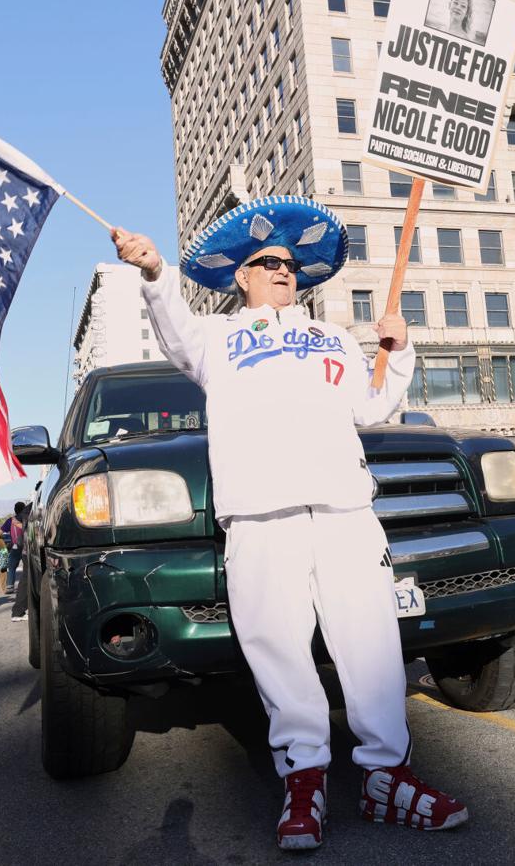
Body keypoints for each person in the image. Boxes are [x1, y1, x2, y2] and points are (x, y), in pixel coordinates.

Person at [115, 202, 466, 852]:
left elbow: (374, 403)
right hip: (258, 514)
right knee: (278, 651)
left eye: (292, 263)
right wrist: (157, 270)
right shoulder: (215, 341)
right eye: (268, 262)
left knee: (371, 646)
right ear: (241, 277)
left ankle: (387, 776)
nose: (285, 270)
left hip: (343, 510)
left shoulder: (331, 337)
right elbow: (173, 327)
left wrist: (399, 348)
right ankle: (303, 781)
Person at [1, 503, 29, 622]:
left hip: (15, 546)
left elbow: (0, 531)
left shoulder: (10, 520)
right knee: (27, 573)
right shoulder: (26, 517)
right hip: (25, 546)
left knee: (12, 567)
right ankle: (19, 610)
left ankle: (10, 585)